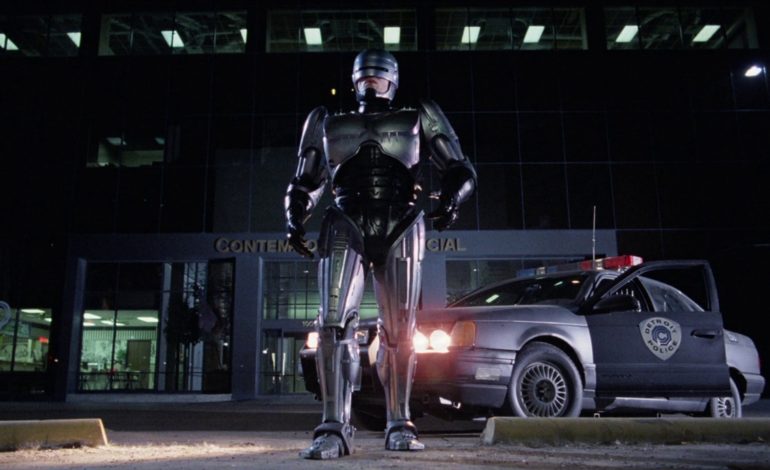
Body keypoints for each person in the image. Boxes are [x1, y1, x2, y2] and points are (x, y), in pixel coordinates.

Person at [285, 49, 476, 460]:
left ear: (393, 78)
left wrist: (452, 200)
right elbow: (306, 180)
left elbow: (460, 168)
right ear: (354, 79)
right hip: (345, 219)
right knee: (333, 325)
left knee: (401, 331)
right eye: (364, 75)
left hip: (400, 221)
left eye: (378, 74)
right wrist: (294, 215)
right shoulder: (326, 121)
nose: (371, 81)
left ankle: (399, 422)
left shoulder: (417, 115)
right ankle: (333, 427)